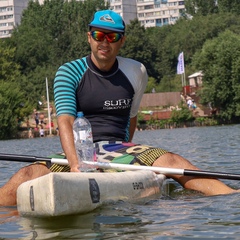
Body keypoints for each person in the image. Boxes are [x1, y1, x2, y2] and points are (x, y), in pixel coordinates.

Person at [0, 10, 237, 206]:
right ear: (89, 37)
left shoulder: (136, 72)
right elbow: (65, 122)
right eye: (99, 35)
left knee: (174, 162)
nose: (105, 42)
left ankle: (231, 199)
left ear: (122, 40)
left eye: (112, 37)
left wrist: (128, 159)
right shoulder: (68, 73)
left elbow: (131, 119)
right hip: (77, 152)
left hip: (119, 148)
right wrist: (75, 166)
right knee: (25, 176)